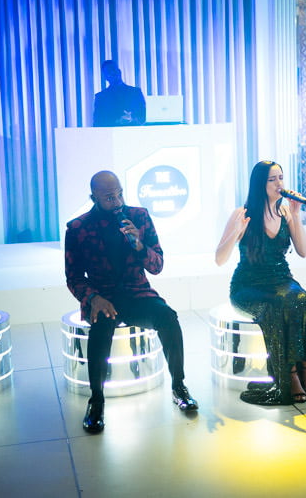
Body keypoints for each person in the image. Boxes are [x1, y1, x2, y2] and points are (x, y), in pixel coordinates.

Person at [65, 171, 197, 433]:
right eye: (110, 197)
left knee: (168, 318)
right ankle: (96, 400)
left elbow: (157, 265)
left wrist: (139, 245)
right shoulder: (78, 228)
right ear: (94, 198)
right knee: (99, 330)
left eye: (120, 194)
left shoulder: (139, 216)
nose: (117, 202)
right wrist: (93, 298)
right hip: (104, 297)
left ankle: (179, 386)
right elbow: (74, 277)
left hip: (137, 293)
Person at [215, 160, 306, 404]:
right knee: (277, 307)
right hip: (248, 285)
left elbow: (303, 251)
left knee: (304, 300)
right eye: (272, 179)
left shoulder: (285, 212)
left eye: (281, 178)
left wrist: (296, 215)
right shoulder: (242, 214)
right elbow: (220, 259)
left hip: (281, 279)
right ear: (260, 184)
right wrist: (236, 231)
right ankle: (288, 375)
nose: (278, 184)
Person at [92, 60, 146, 127]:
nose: (112, 73)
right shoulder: (100, 97)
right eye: (109, 71)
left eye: (114, 69)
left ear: (119, 72)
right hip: (110, 135)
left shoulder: (136, 92)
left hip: (133, 134)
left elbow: (144, 116)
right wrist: (117, 121)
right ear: (105, 77)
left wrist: (132, 119)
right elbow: (97, 123)